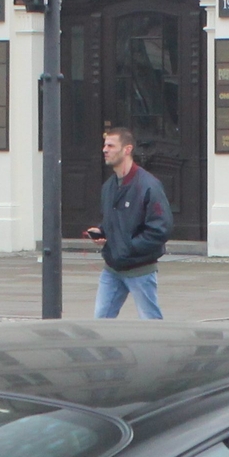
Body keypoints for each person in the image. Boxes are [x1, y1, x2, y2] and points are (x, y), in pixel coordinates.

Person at [87, 126, 170, 320]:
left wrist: (128, 247)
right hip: (113, 268)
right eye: (104, 144)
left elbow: (160, 228)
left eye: (110, 145)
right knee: (101, 320)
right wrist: (102, 231)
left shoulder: (148, 185)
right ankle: (105, 351)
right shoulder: (109, 186)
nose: (104, 149)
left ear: (127, 149)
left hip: (140, 269)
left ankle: (157, 350)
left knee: (150, 321)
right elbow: (116, 220)